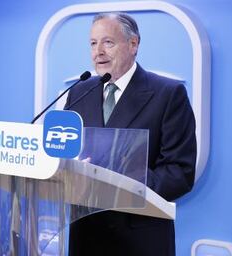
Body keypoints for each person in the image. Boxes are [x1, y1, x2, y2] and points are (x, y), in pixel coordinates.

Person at [64, 12, 196, 256]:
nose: (98, 51)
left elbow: (180, 172)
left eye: (108, 42)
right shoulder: (79, 92)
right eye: (93, 43)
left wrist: (121, 182)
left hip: (139, 238)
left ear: (133, 44)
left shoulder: (168, 94)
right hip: (86, 234)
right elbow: (68, 153)